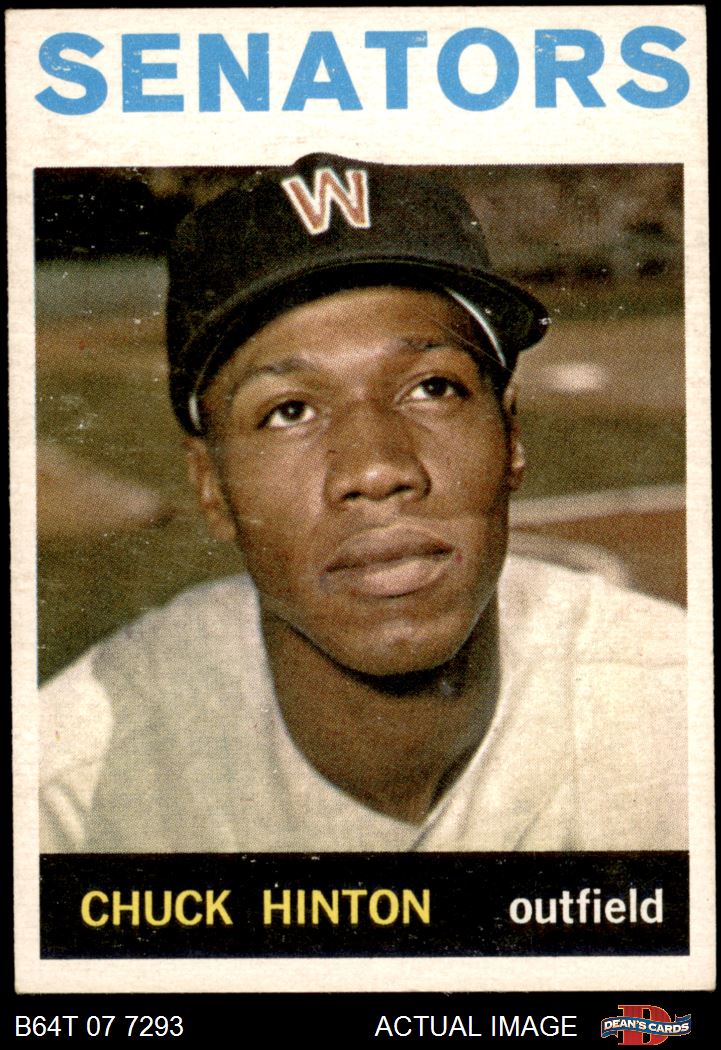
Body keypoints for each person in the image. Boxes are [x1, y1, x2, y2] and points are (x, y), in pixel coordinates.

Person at [40, 154, 687, 853]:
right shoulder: (68, 794)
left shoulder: (679, 716)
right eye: (289, 410)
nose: (376, 470)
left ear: (511, 436)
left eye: (432, 388)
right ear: (210, 486)